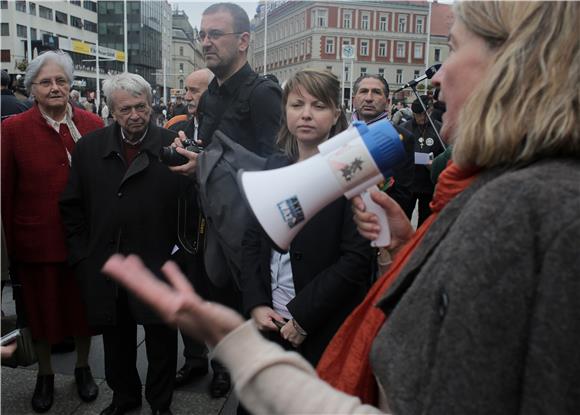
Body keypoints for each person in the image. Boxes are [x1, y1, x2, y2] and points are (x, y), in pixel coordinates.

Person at [101, 1, 579, 414]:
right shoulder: (496, 196)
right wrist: (403, 249)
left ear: (515, 60)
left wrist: (266, 340)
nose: (439, 75)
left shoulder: (537, 211)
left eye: (452, 48)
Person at [60, 73, 193, 415]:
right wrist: (82, 256)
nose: (135, 115)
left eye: (141, 107)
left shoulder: (175, 146)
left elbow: (193, 209)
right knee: (117, 344)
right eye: (126, 109)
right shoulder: (90, 148)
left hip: (159, 268)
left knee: (162, 346)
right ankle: (125, 399)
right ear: (112, 112)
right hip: (108, 267)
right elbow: (71, 206)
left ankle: (160, 405)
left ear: (152, 106)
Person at [169, 2, 282, 399]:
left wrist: (206, 165)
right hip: (210, 219)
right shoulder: (212, 93)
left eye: (215, 34)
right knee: (208, 294)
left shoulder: (264, 93)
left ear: (244, 40)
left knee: (242, 305)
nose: (206, 42)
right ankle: (214, 362)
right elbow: (215, 151)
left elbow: (276, 166)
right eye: (203, 34)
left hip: (249, 227)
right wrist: (195, 155)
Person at [242, 69, 373, 367]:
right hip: (268, 318)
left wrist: (304, 317)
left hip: (320, 323)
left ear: (336, 113)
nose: (306, 114)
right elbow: (251, 239)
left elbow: (356, 258)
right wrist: (256, 302)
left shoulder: (352, 170)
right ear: (285, 109)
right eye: (297, 104)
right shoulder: (272, 166)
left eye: (319, 105)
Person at [1, 50, 102, 413]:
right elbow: (5, 190)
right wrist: (8, 252)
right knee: (39, 315)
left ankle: (82, 367)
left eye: (61, 80)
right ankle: (44, 374)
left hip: (85, 243)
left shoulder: (92, 124)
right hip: (35, 243)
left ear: (71, 84)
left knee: (82, 313)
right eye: (46, 82)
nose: (55, 87)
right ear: (32, 89)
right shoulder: (12, 129)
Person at [165, 68, 215, 388]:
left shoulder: (229, 129)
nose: (187, 96)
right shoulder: (176, 127)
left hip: (219, 230)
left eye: (195, 91)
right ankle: (194, 359)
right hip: (183, 227)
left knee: (219, 300)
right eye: (187, 90)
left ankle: (223, 368)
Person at [351, 74, 416, 220]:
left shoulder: (402, 138)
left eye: (376, 92)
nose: (369, 98)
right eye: (363, 91)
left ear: (387, 102)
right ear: (354, 99)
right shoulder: (337, 133)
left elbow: (403, 195)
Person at [401, 96, 445, 226]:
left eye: (422, 114)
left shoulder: (439, 129)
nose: (419, 118)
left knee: (425, 222)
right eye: (416, 115)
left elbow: (445, 154)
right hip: (409, 184)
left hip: (429, 184)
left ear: (430, 110)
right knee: (404, 219)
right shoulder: (405, 127)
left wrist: (435, 164)